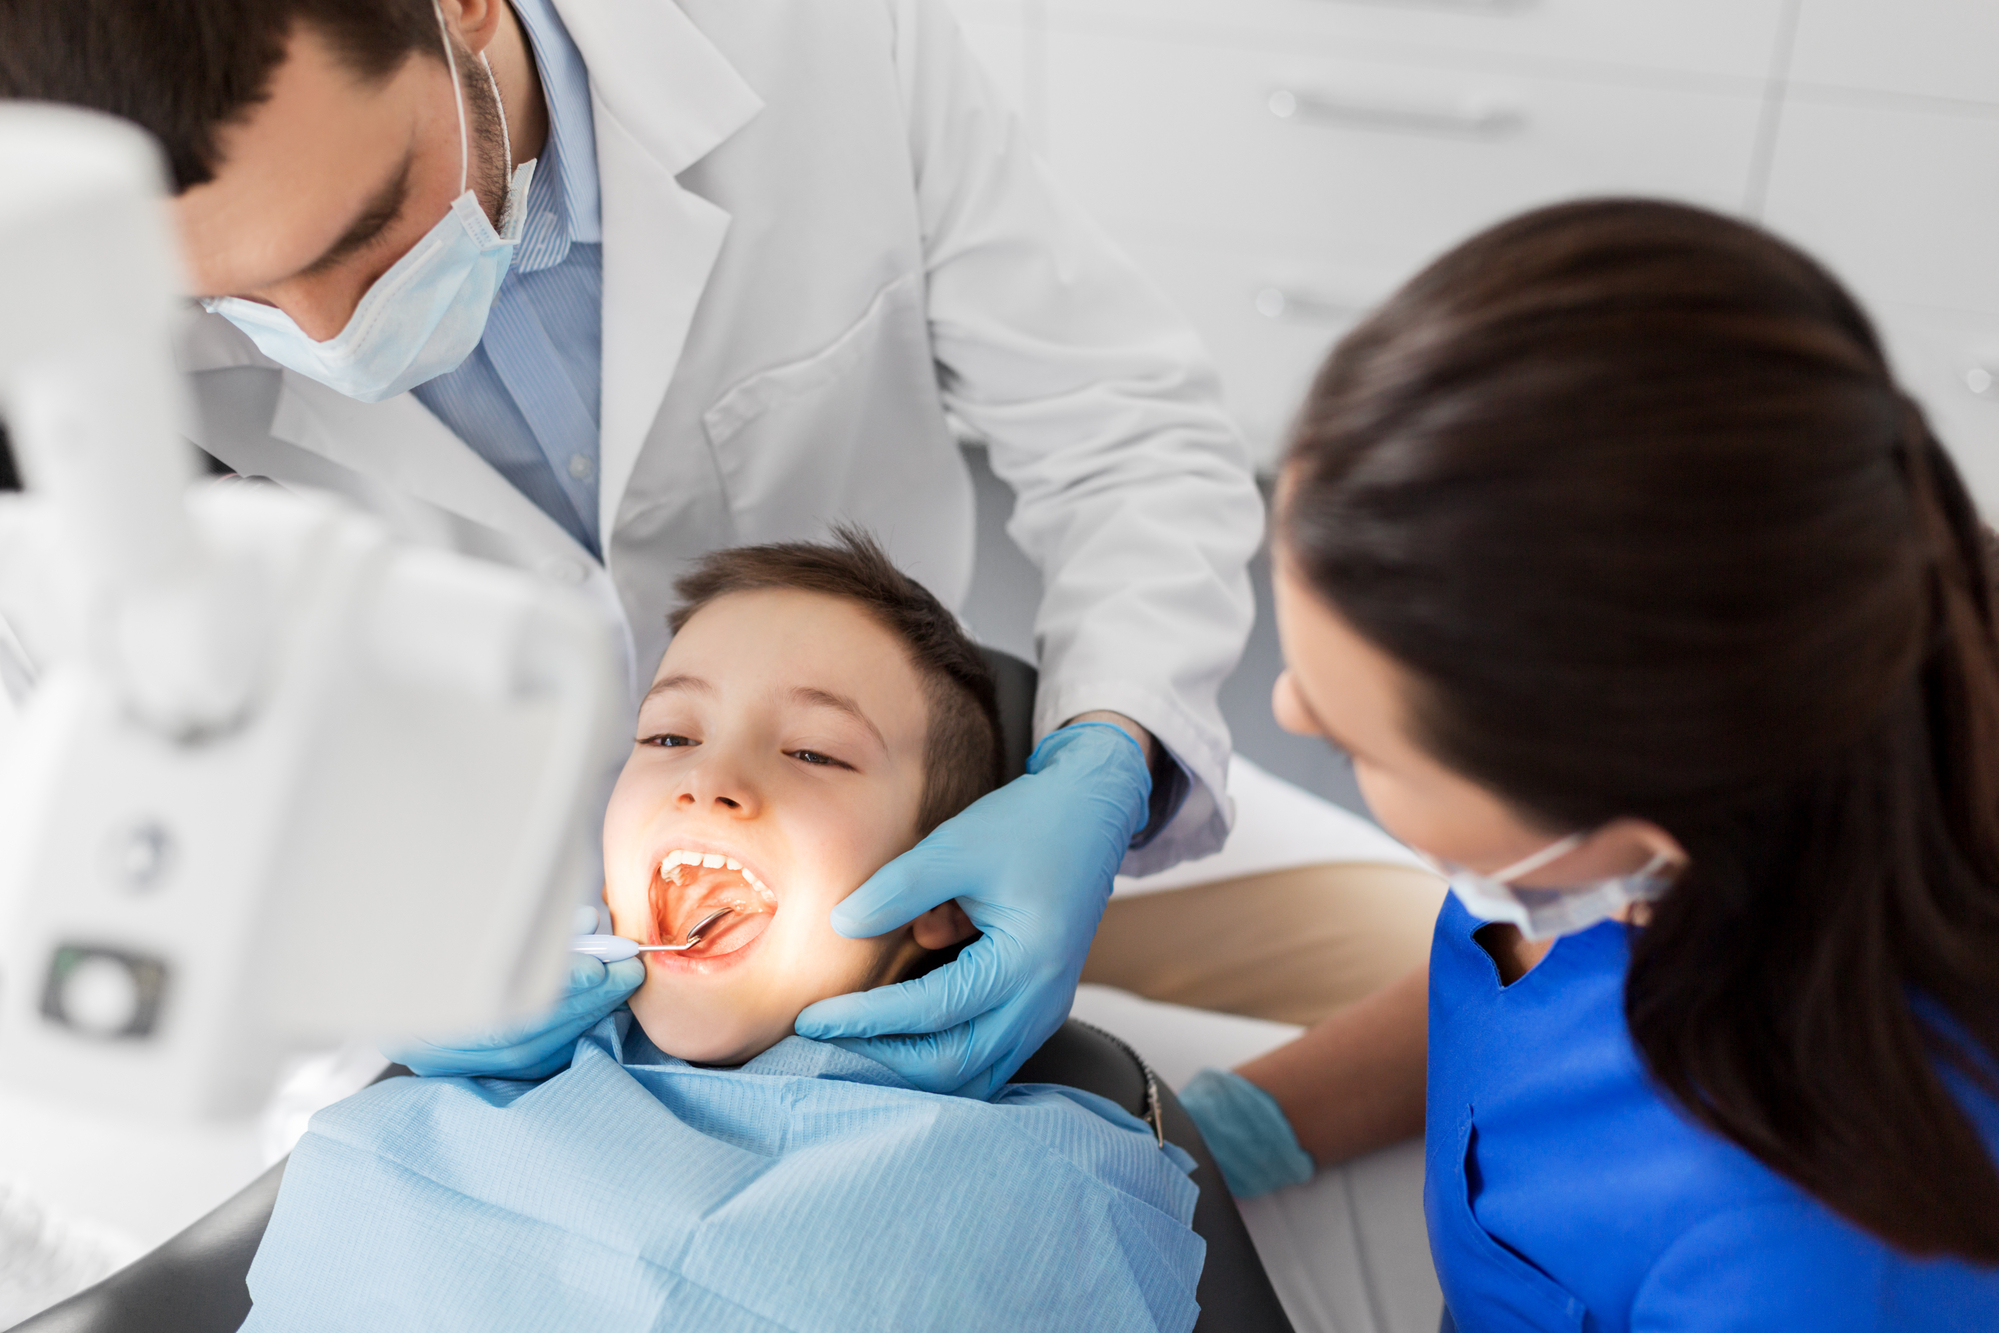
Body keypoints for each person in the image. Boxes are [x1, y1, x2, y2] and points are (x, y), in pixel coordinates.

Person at [0, 0, 1264, 1097]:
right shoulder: (62, 336)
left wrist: (1107, 759)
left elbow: (1121, 428)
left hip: (931, 822)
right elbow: (78, 785)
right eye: (225, 300)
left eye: (366, 225)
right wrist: (345, 972)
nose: (328, 337)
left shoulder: (809, 39)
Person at [1179, 199, 1999, 1326]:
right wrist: (1221, 1133)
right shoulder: (1631, 827)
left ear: (1640, 829)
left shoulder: (1805, 1255)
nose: (1285, 706)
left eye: (1361, 742)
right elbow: (1508, 1001)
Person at [242, 531, 1205, 1332]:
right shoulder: (441, 1100)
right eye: (668, 735)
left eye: (814, 752)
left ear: (947, 892)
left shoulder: (1034, 1193)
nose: (707, 780)